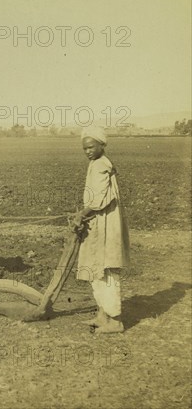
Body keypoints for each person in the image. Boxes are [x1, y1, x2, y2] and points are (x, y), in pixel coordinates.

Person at [71, 126, 130, 333]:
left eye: (91, 147)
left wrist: (81, 214)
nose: (87, 151)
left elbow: (98, 200)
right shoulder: (97, 163)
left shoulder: (101, 165)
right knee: (97, 267)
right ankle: (102, 315)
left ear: (101, 145)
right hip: (99, 222)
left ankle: (115, 321)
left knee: (106, 268)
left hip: (105, 223)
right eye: (84, 148)